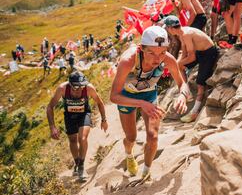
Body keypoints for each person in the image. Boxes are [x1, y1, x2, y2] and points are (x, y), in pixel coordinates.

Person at [110, 26, 189, 183]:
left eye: (161, 52)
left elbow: (182, 84)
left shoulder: (168, 59)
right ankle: (129, 155)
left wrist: (182, 96)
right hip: (127, 96)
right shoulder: (128, 61)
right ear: (141, 48)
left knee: (153, 137)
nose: (157, 59)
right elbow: (113, 96)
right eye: (151, 52)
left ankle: (146, 172)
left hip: (149, 95)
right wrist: (140, 103)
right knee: (131, 137)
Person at [47, 71, 108, 180]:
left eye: (82, 85)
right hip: (69, 116)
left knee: (82, 138)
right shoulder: (62, 89)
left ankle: (81, 167)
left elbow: (99, 102)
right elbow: (50, 106)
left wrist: (104, 119)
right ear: (70, 84)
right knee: (73, 140)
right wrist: (52, 127)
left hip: (84, 114)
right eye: (76, 86)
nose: (79, 88)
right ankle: (77, 163)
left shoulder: (89, 88)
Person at [164, 15, 218, 123]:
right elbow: (184, 53)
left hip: (208, 52)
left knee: (200, 83)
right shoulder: (181, 33)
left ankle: (195, 111)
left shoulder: (186, 34)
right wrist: (177, 63)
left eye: (167, 29)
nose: (167, 31)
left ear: (171, 28)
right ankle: (186, 92)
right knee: (179, 65)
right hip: (200, 52)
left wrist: (177, 63)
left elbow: (191, 57)